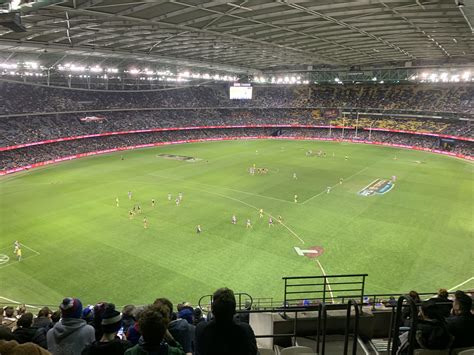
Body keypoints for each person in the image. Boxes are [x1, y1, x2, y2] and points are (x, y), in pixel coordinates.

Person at [195, 287, 257, 355]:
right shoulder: (245, 329)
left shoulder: (201, 329)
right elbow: (253, 352)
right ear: (234, 310)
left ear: (213, 310)